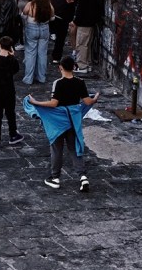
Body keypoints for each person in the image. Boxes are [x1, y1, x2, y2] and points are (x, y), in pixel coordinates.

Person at [25, 55, 98, 192]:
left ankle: (55, 178)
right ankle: (82, 177)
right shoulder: (80, 82)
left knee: (56, 149)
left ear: (60, 68)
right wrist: (95, 98)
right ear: (74, 67)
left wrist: (36, 103)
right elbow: (87, 101)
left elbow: (54, 103)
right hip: (73, 121)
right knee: (74, 148)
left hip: (58, 121)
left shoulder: (58, 83)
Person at [69, 0, 103, 71]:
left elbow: (81, 9)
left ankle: (82, 66)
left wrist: (75, 21)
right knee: (87, 44)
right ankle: (87, 64)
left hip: (84, 22)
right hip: (91, 21)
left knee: (81, 44)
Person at [21, 0, 54, 86]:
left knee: (30, 53)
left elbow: (23, 15)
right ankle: (41, 77)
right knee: (42, 54)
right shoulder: (48, 5)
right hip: (44, 29)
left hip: (32, 28)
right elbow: (52, 18)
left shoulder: (30, 4)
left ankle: (28, 78)